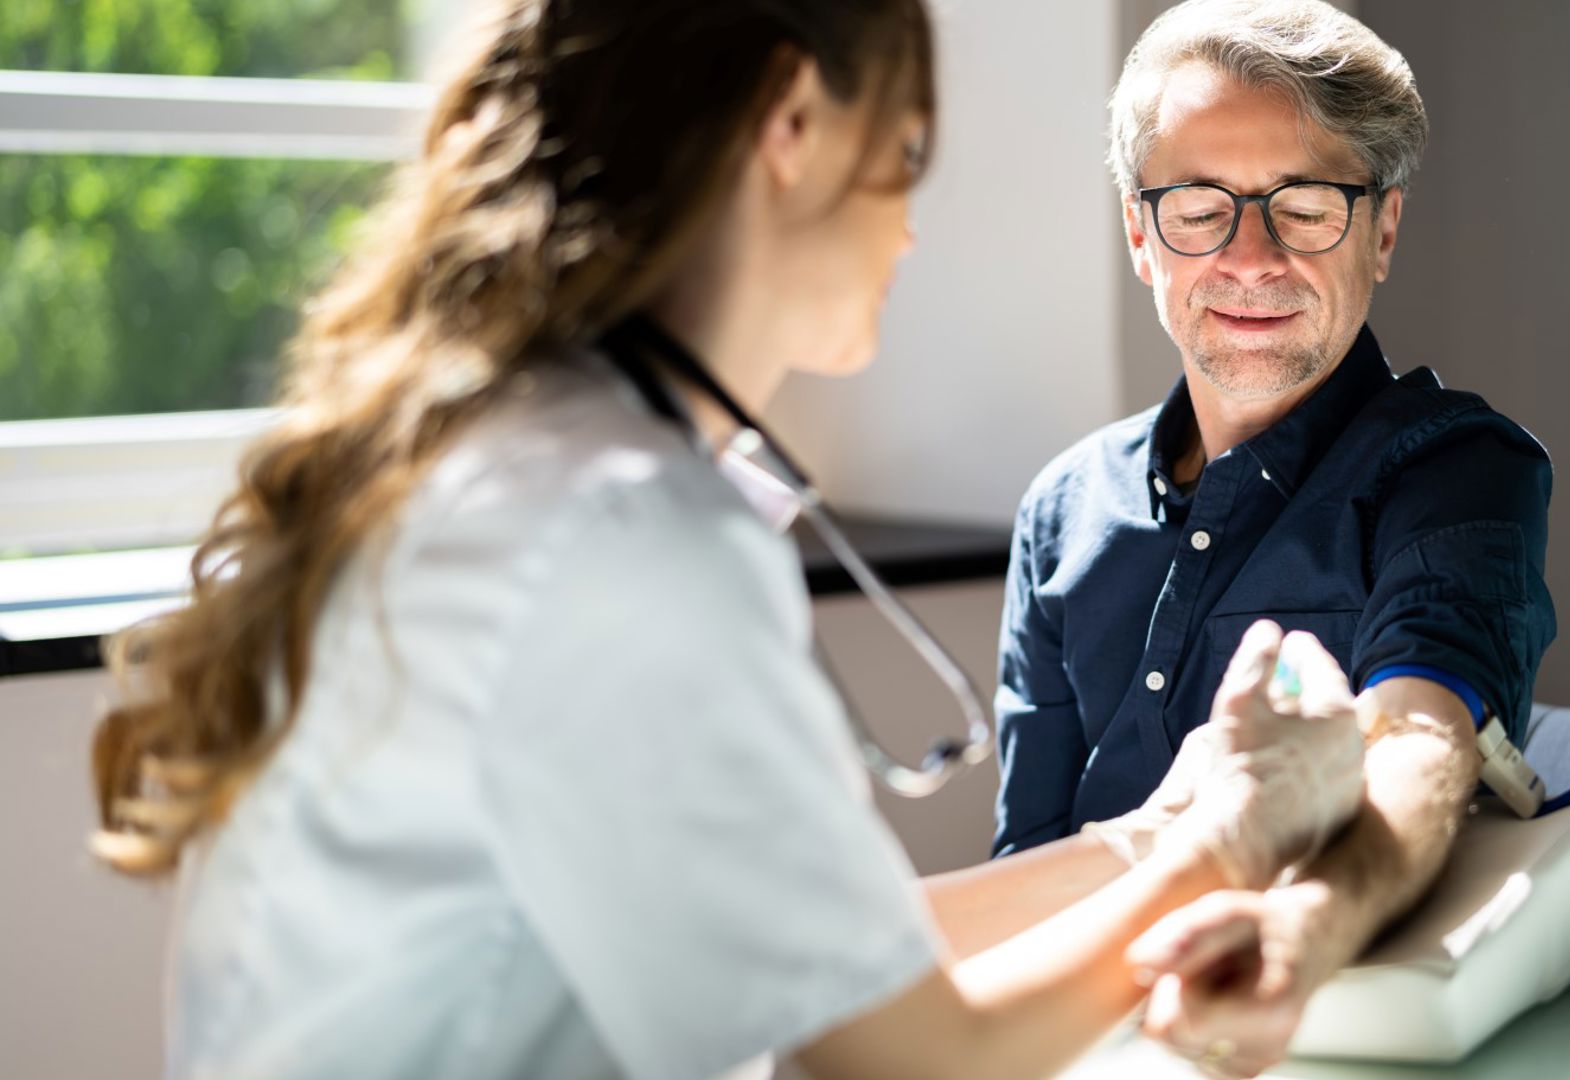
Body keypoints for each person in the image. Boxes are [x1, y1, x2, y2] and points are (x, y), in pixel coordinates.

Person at [86, 2, 1367, 1077]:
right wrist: (1236, 836)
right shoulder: (622, 533)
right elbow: (903, 1059)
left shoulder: (511, 462)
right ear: (794, 123)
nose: (913, 229)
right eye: (906, 151)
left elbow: (831, 962)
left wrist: (1156, 834)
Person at [992, 0, 1559, 1071]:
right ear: (1139, 231)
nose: (1250, 257)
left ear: (1382, 230)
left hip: (1337, 1039)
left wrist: (1300, 931)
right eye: (1200, 207)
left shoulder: (1454, 470)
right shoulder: (1061, 508)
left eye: (1305, 207)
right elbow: (1032, 856)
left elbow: (1420, 743)